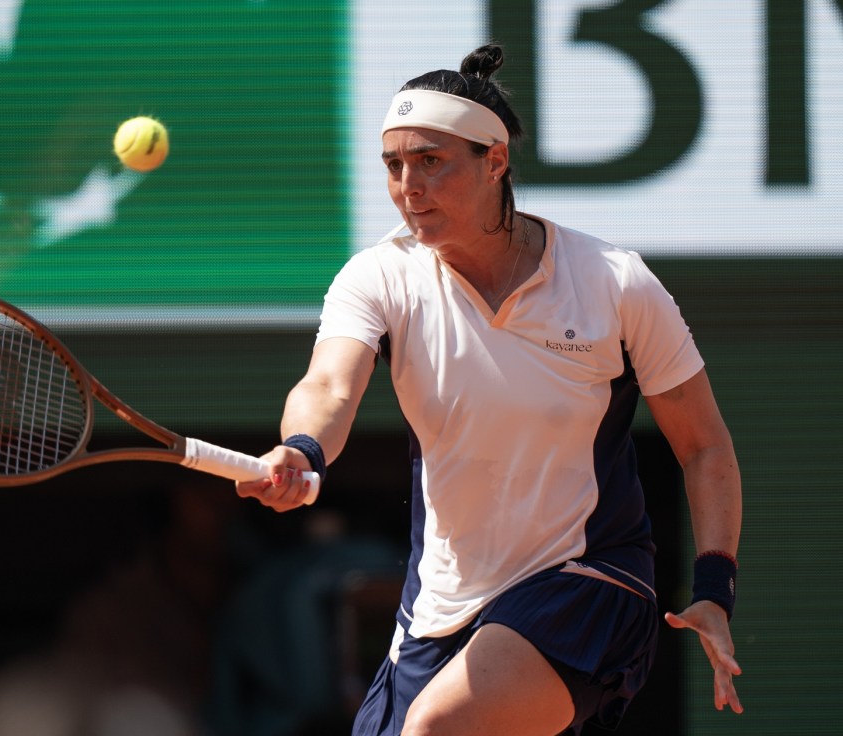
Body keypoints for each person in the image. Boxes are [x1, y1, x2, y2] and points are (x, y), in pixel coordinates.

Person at [236, 43, 743, 736]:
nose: (408, 185)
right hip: (441, 605)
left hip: (587, 579)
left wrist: (714, 591)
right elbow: (329, 384)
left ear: (495, 161)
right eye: (394, 165)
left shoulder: (614, 282)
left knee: (436, 729)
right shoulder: (377, 277)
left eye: (431, 161)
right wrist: (302, 449)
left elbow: (705, 446)